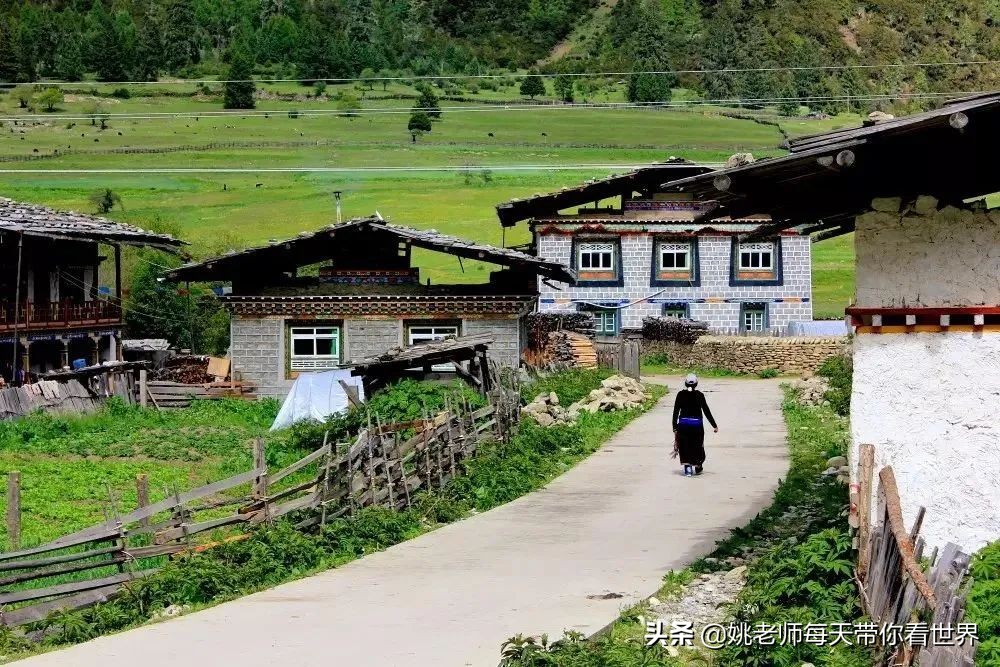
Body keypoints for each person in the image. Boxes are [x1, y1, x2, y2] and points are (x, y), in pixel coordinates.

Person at [672, 373, 718, 477]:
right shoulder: (699, 395)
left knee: (685, 446)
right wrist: (714, 425)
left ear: (685, 383)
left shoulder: (680, 395)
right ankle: (697, 465)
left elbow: (675, 412)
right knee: (697, 445)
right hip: (697, 426)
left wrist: (674, 427)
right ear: (696, 384)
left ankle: (687, 467)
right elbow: (706, 411)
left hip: (683, 425)